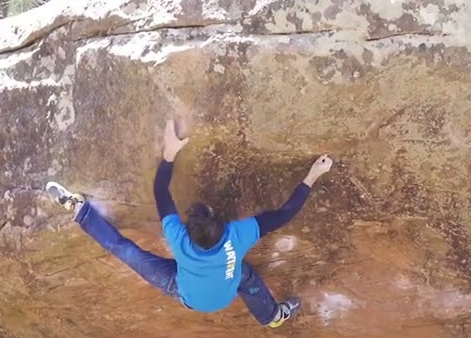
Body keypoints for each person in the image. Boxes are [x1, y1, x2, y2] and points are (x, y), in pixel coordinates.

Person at [45, 114, 332, 327]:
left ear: (189, 232)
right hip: (220, 289)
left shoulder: (179, 238)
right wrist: (312, 176)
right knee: (244, 274)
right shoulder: (238, 235)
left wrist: (169, 153)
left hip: (188, 293)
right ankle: (272, 316)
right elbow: (285, 213)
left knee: (125, 250)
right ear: (222, 224)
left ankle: (80, 211)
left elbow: (161, 191)